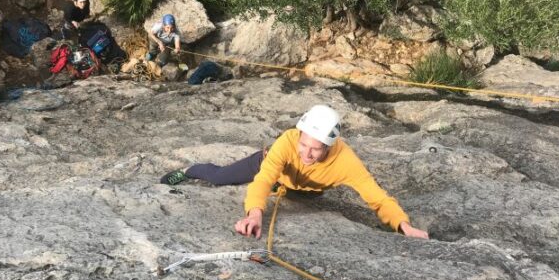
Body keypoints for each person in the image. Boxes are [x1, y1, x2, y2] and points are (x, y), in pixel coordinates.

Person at [161, 105, 429, 240]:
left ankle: (286, 188)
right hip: (270, 168)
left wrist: (402, 225)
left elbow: (378, 198)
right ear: (298, 134)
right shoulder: (288, 141)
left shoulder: (346, 161)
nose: (306, 153)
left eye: (316, 150)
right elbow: (264, 179)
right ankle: (191, 170)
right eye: (303, 144)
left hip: (307, 189)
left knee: (304, 196)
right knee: (221, 177)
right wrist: (255, 213)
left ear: (330, 146)